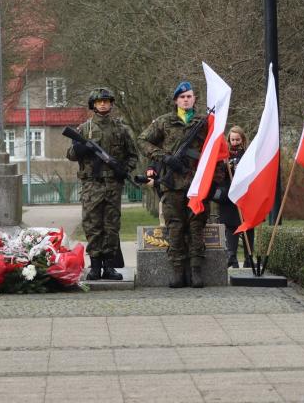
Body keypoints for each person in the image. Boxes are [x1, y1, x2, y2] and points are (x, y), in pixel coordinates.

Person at [137, 81, 209, 288]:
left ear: (195, 99)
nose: (186, 99)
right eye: (182, 97)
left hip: (197, 183)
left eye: (189, 96)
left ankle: (196, 271)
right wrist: (164, 157)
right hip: (172, 183)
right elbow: (142, 141)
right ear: (176, 100)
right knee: (175, 227)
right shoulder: (163, 122)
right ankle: (178, 271)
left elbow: (215, 150)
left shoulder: (204, 122)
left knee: (197, 226)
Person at [66, 88, 138, 281]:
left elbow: (133, 155)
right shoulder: (84, 129)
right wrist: (80, 149)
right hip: (92, 185)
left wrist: (125, 169)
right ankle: (95, 265)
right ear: (93, 105)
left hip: (113, 185)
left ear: (111, 104)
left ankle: (109, 266)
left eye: (106, 101)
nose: (103, 104)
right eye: (99, 102)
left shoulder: (121, 129)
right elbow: (70, 155)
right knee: (92, 225)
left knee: (111, 226)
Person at [214, 126, 255, 268]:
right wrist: (225, 167)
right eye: (232, 139)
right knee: (231, 227)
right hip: (229, 196)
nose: (235, 142)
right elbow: (218, 175)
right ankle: (232, 257)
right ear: (229, 140)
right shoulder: (224, 155)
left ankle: (249, 258)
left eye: (238, 139)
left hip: (246, 195)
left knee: (248, 226)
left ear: (242, 139)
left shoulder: (249, 154)